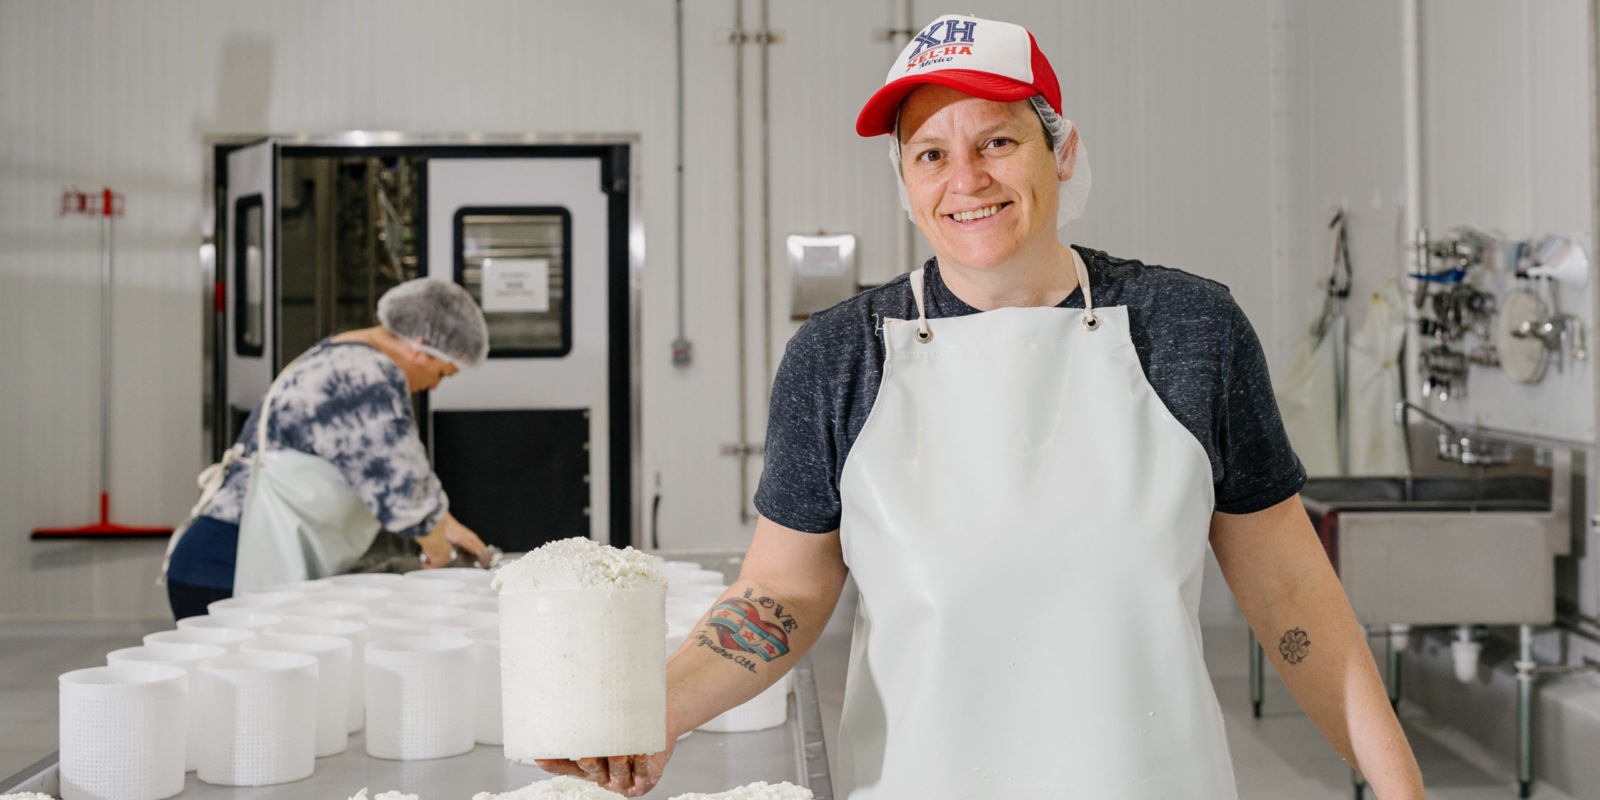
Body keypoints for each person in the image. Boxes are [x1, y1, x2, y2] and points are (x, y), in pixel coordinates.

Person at [543, 14, 1426, 798]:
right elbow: (780, 592)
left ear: (1061, 151)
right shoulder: (839, 356)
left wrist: (1400, 789)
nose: (965, 179)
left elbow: (1292, 592)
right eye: (930, 153)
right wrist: (652, 707)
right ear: (906, 179)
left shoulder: (1188, 329)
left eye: (998, 142)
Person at [163, 277, 490, 619]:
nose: (433, 385)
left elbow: (404, 476)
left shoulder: (342, 352)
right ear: (420, 346)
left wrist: (446, 524)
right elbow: (401, 488)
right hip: (229, 569)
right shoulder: (366, 375)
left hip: (220, 561)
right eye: (442, 372)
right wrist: (442, 557)